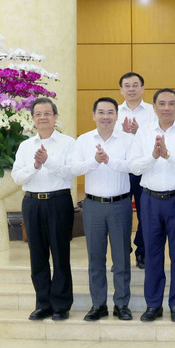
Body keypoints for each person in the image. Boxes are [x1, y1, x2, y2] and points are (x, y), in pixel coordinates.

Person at [129, 89, 175, 323]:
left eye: (171, 103)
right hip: (150, 200)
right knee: (153, 254)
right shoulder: (144, 132)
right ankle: (153, 305)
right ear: (154, 106)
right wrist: (154, 156)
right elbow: (135, 167)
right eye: (162, 103)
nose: (167, 107)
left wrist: (168, 155)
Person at [70, 97, 134, 321]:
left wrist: (110, 160)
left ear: (117, 115)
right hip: (93, 206)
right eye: (101, 112)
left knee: (121, 258)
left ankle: (121, 304)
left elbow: (134, 166)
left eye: (110, 112)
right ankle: (98, 304)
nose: (106, 116)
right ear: (93, 115)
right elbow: (74, 168)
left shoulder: (128, 140)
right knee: (95, 258)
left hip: (120, 205)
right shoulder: (84, 140)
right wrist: (95, 161)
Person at [12, 98, 75, 321]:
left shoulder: (68, 143)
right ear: (33, 119)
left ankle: (61, 304)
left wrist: (48, 162)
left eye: (47, 113)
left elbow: (70, 172)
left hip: (58, 202)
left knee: (60, 254)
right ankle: (43, 303)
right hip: (32, 203)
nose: (43, 118)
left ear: (55, 117)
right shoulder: (25, 146)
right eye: (38, 114)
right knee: (37, 255)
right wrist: (36, 165)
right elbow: (17, 177)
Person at [116, 71, 156, 270]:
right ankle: (122, 254)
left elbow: (157, 140)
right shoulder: (112, 112)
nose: (131, 89)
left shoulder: (152, 111)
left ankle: (143, 252)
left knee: (145, 213)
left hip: (144, 170)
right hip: (121, 171)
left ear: (143, 88)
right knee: (121, 215)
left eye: (135, 85)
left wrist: (137, 132)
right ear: (121, 90)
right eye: (127, 85)